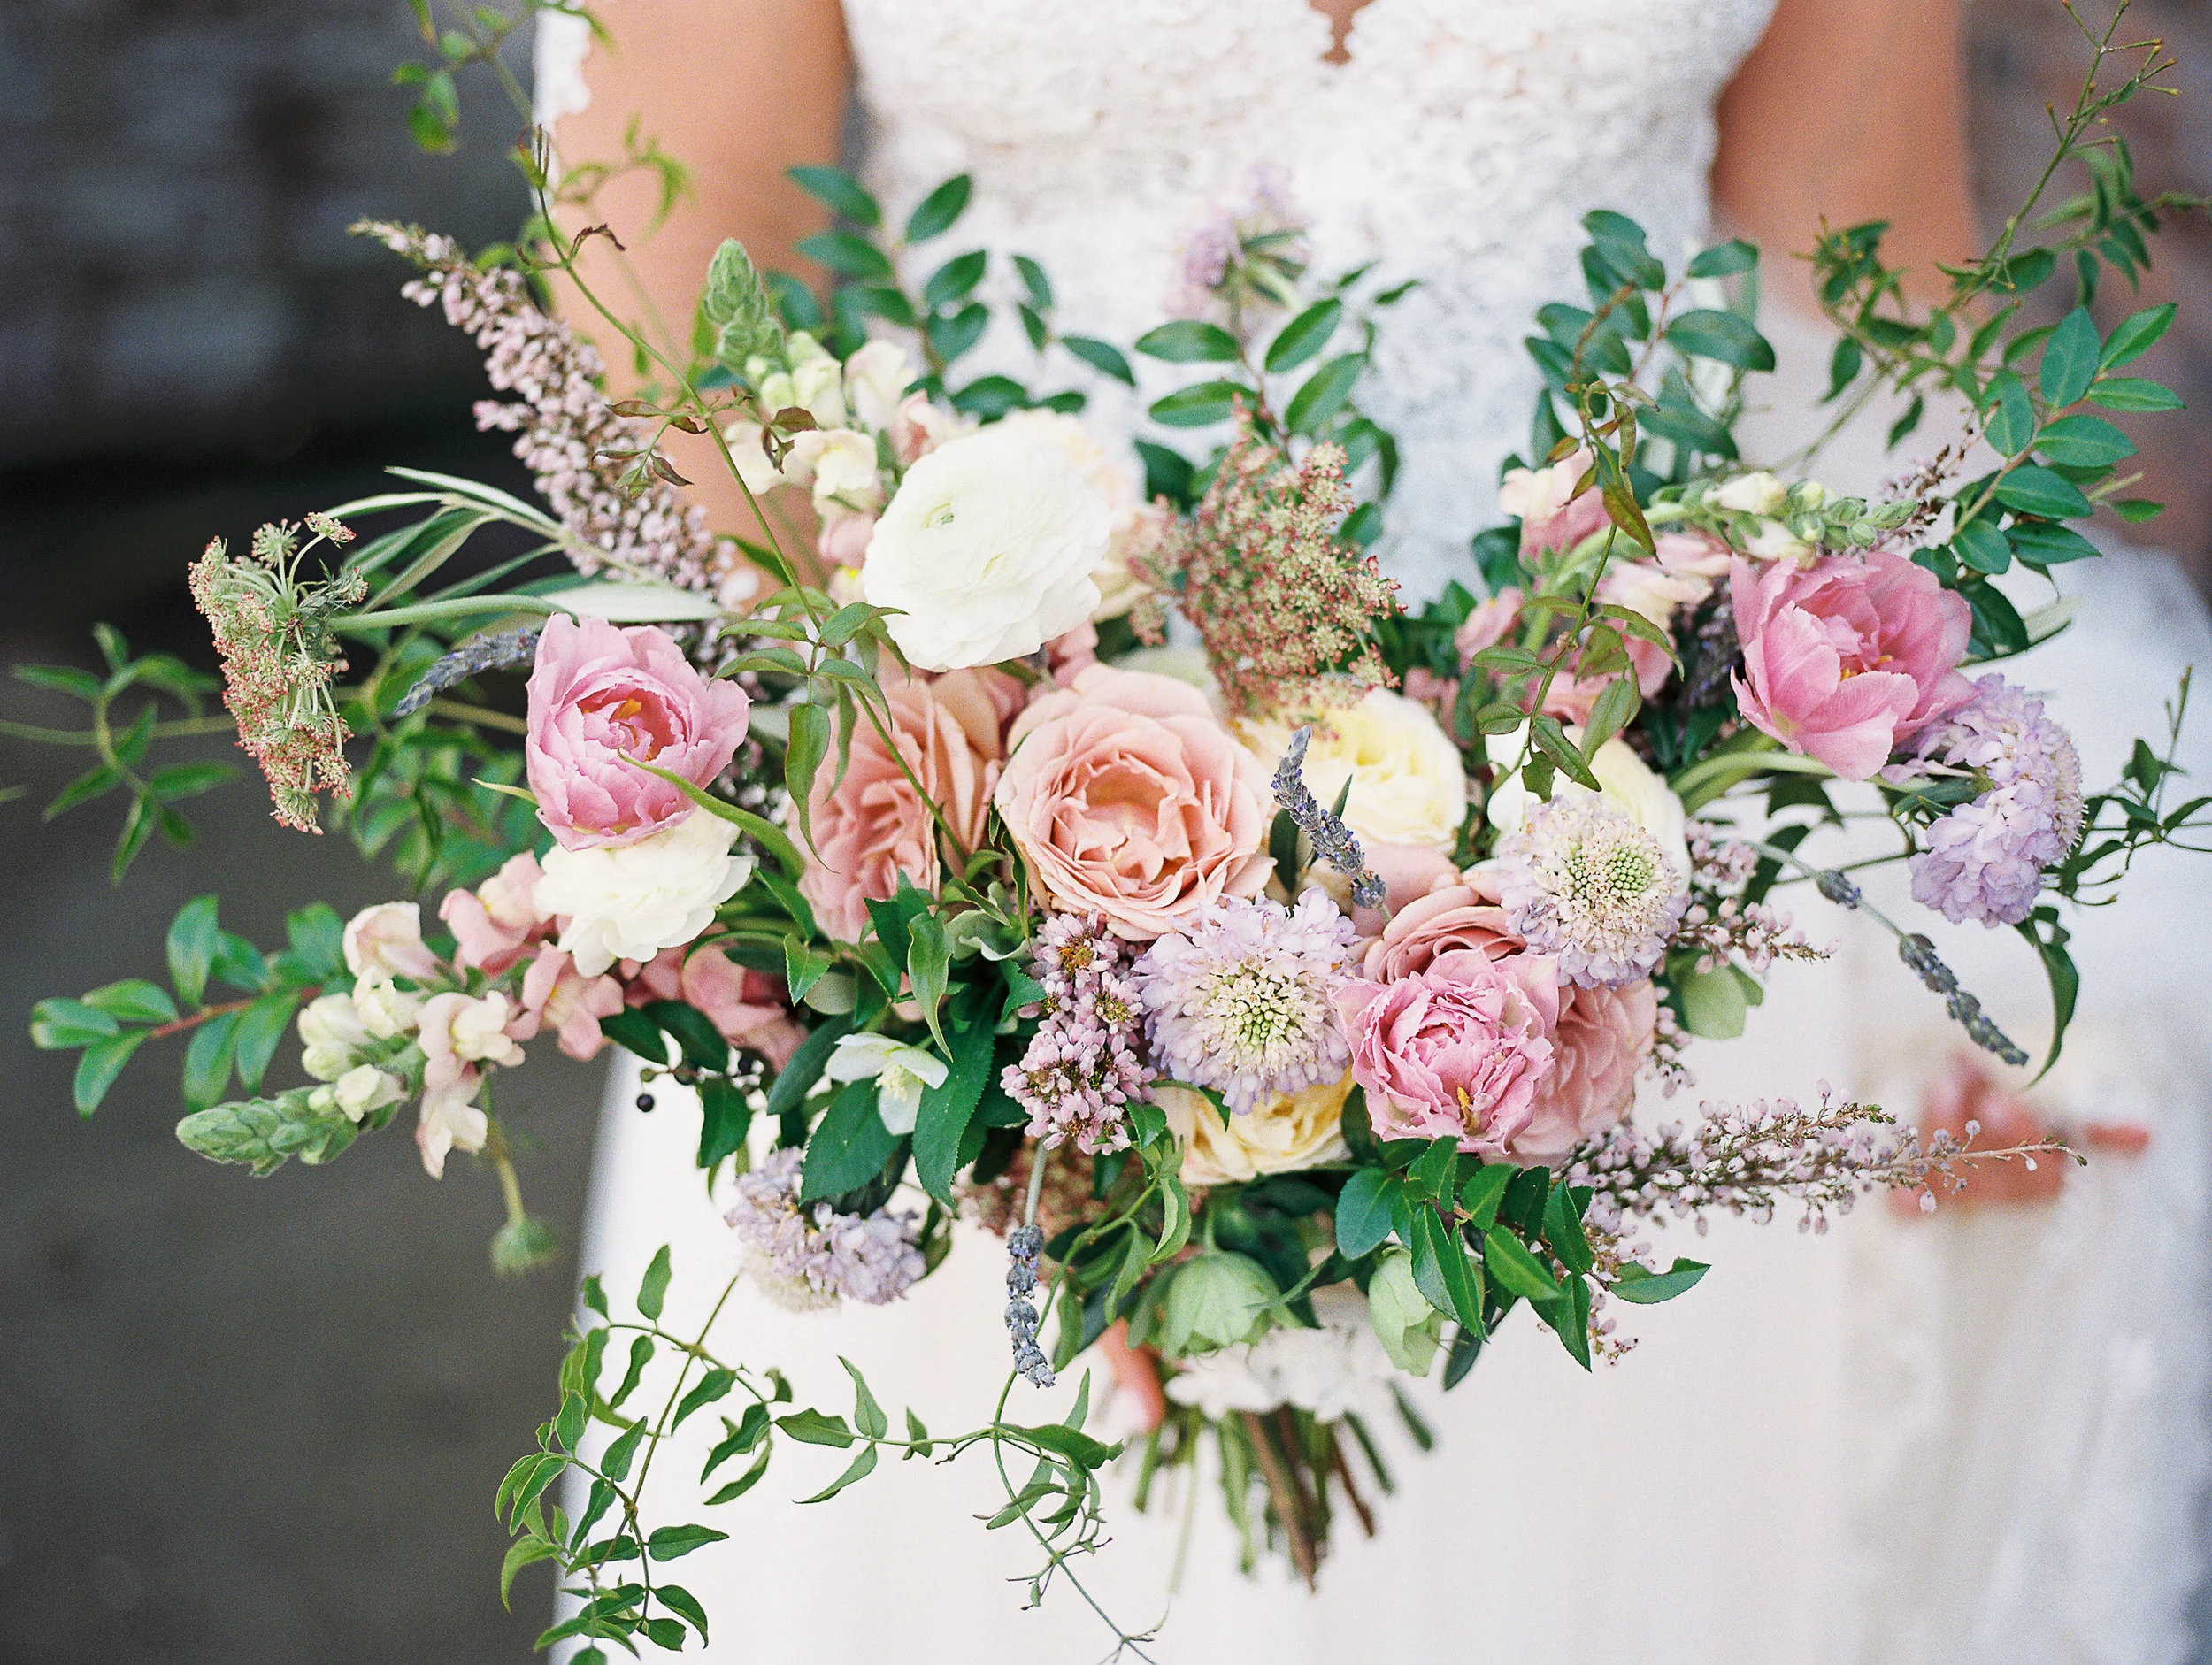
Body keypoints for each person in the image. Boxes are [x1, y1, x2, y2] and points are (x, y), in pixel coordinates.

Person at [537, 4, 2212, 1658]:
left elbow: (1853, 275)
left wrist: (1914, 897)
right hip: (975, 906)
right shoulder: (968, 910)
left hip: (1614, 908)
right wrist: (980, 917)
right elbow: (680, 240)